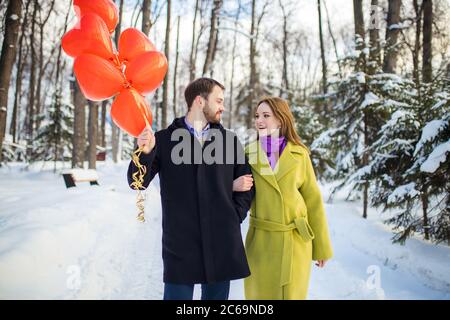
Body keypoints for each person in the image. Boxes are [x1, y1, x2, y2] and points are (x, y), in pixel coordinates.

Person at [127, 77, 255, 300]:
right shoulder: (164, 140)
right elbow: (136, 182)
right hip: (181, 245)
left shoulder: (229, 141)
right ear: (199, 101)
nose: (222, 107)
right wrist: (145, 153)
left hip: (221, 241)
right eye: (218, 101)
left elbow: (246, 185)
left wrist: (232, 217)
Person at [233, 96, 333, 299]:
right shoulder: (248, 154)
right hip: (261, 243)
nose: (259, 120)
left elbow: (313, 201)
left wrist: (321, 247)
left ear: (280, 119)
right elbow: (238, 194)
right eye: (257, 116)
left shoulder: (300, 154)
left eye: (266, 115)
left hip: (295, 242)